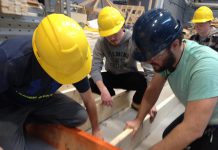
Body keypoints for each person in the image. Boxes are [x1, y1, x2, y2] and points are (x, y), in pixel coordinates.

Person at [0, 14, 102, 150]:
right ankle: (20, 121)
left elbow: (88, 99)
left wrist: (96, 129)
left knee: (79, 116)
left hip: (42, 100)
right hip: (11, 105)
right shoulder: (9, 59)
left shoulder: (73, 62)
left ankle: (29, 120)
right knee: (15, 148)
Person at [126, 9, 218, 150]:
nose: (149, 61)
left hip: (215, 121)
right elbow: (153, 90)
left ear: (175, 44)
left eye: (154, 55)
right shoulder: (168, 58)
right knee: (168, 136)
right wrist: (138, 120)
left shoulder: (205, 67)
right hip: (205, 113)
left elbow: (192, 129)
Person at [89, 6, 155, 113]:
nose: (112, 38)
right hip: (112, 76)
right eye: (107, 35)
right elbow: (95, 68)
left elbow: (149, 70)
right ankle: (111, 97)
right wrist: (103, 90)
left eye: (115, 33)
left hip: (129, 76)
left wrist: (151, 102)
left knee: (145, 82)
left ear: (122, 26)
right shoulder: (101, 42)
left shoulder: (134, 40)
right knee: (91, 82)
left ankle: (136, 103)